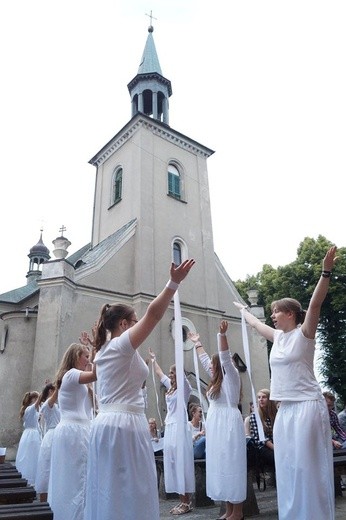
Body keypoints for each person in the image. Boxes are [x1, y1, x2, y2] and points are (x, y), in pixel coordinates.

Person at [84, 259, 195, 520]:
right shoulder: (121, 345)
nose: (138, 324)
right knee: (129, 491)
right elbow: (154, 315)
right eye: (134, 320)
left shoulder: (105, 350)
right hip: (123, 425)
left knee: (115, 490)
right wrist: (173, 283)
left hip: (113, 423)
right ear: (123, 324)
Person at [234, 245, 338, 520]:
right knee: (288, 466)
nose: (272, 315)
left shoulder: (304, 334)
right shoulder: (278, 338)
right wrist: (243, 310)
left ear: (289, 314)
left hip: (307, 406)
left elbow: (315, 304)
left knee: (308, 467)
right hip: (285, 410)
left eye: (276, 311)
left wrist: (325, 272)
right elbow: (256, 326)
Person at [189, 321, 246, 520]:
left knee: (232, 464)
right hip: (216, 424)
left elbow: (223, 357)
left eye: (214, 366)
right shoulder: (216, 380)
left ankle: (237, 513)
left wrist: (221, 335)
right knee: (222, 465)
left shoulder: (231, 375)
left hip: (229, 423)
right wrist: (197, 343)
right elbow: (205, 360)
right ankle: (229, 509)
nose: (210, 368)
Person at [48, 343, 96, 520]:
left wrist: (91, 354)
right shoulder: (72, 374)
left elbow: (90, 380)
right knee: (78, 480)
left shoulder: (68, 376)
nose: (88, 359)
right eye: (85, 356)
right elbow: (95, 375)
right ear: (76, 356)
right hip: (75, 432)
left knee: (71, 480)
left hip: (72, 429)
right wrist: (97, 348)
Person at [150, 351, 195, 515]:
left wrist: (178, 355)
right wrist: (154, 360)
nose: (171, 375)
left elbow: (181, 379)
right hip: (170, 426)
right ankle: (182, 500)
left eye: (174, 372)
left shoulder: (185, 389)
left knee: (181, 462)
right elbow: (160, 374)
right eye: (171, 372)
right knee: (173, 462)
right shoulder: (171, 387)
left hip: (180, 426)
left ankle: (186, 501)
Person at [35, 383, 60, 502]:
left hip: (59, 435)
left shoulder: (57, 406)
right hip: (52, 436)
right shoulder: (47, 404)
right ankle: (43, 502)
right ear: (50, 391)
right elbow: (55, 396)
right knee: (46, 469)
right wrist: (60, 382)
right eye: (53, 390)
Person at [245, 388, 277, 470]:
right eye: (259, 397)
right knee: (277, 458)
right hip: (261, 447)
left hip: (275, 444)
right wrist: (276, 449)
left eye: (264, 397)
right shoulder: (255, 416)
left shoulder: (275, 414)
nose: (261, 400)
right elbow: (262, 439)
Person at [15, 390, 41, 486]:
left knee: (29, 456)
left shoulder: (29, 410)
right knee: (31, 457)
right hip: (32, 435)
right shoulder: (30, 409)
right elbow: (39, 401)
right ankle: (29, 479)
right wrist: (43, 391)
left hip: (28, 435)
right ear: (33, 399)